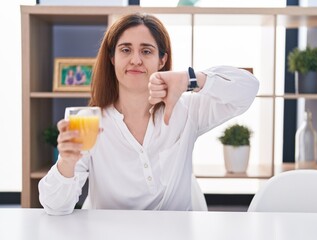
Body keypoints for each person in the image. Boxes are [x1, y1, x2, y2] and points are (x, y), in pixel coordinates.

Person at [38, 13, 259, 215]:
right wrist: (66, 162)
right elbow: (54, 207)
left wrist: (189, 79)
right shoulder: (91, 121)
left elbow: (248, 88)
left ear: (162, 60)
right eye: (125, 50)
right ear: (112, 58)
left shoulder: (188, 110)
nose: (135, 60)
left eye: (146, 51)